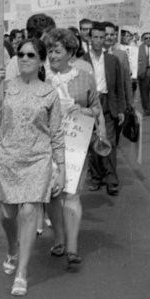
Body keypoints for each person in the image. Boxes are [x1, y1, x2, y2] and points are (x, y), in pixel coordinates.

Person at [0, 38, 65, 297]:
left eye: (31, 55)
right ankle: (12, 247)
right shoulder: (5, 87)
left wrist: (61, 168)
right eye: (20, 54)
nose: (24, 59)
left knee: (30, 211)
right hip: (8, 158)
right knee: (8, 215)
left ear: (41, 60)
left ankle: (22, 272)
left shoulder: (50, 93)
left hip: (38, 159)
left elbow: (57, 133)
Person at [44, 29, 100, 271]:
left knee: (72, 194)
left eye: (57, 51)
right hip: (46, 145)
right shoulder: (41, 77)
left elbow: (96, 108)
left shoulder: (85, 77)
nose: (52, 56)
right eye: (50, 51)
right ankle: (58, 238)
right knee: (52, 194)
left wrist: (82, 110)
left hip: (76, 143)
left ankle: (73, 248)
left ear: (70, 52)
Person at [84, 25, 127, 195]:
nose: (99, 40)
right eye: (95, 37)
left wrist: (121, 109)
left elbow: (119, 86)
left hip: (108, 103)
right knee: (93, 143)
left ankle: (111, 180)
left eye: (102, 37)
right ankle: (96, 178)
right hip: (89, 105)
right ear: (89, 38)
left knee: (109, 142)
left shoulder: (112, 60)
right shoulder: (82, 61)